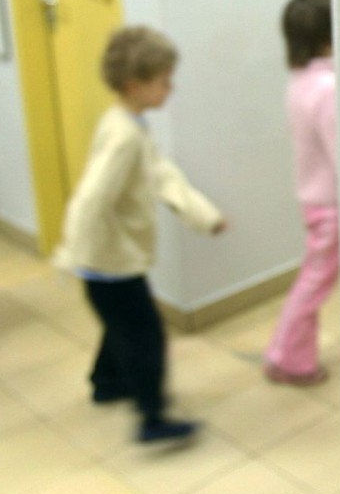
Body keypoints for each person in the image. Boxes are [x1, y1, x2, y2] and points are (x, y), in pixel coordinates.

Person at [53, 26, 226, 445]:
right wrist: (70, 251)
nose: (171, 87)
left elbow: (161, 175)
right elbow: (92, 198)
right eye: (164, 80)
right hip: (109, 263)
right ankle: (152, 417)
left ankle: (106, 382)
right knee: (146, 338)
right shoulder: (124, 137)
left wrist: (202, 215)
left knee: (121, 327)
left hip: (111, 260)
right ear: (136, 85)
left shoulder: (127, 122)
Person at [264, 0, 340, 386]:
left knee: (315, 279)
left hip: (316, 201)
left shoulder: (301, 80)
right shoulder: (328, 89)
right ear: (330, 38)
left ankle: (291, 353)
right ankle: (286, 358)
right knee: (314, 283)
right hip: (332, 206)